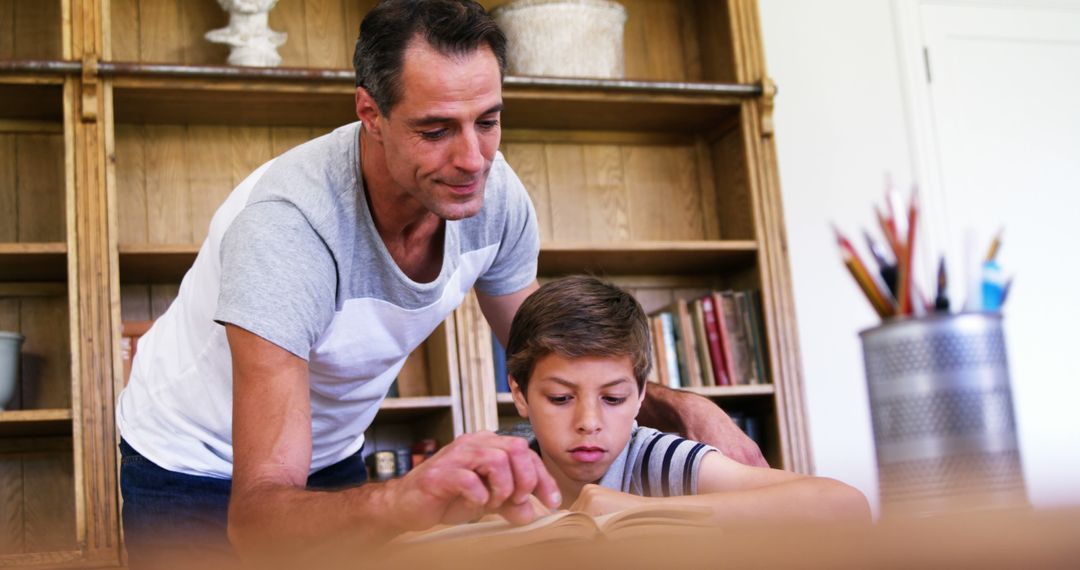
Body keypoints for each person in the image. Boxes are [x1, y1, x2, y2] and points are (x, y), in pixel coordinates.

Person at [114, 0, 764, 559]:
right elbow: (256, 520)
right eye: (435, 129)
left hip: (333, 448)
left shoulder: (497, 198)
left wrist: (685, 407)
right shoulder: (287, 232)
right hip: (192, 459)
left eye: (488, 120)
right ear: (370, 113)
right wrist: (408, 495)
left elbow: (554, 363)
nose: (472, 159)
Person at [505, 276, 871, 522]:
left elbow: (845, 505)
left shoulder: (657, 460)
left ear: (641, 395)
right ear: (520, 394)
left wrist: (643, 513)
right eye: (560, 397)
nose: (589, 421)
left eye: (614, 398)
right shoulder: (502, 468)